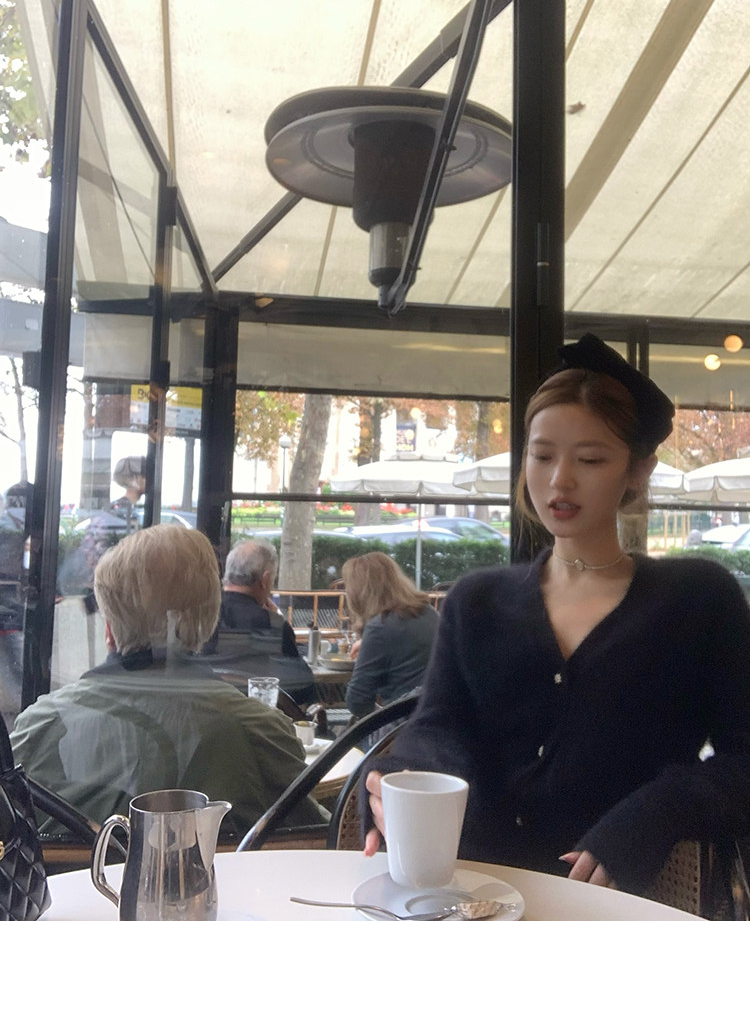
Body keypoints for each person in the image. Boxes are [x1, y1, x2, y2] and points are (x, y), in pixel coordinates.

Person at [362, 333, 750, 897]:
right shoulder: (476, 600)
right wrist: (404, 777)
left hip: (623, 902)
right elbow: (437, 726)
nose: (559, 479)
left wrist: (654, 813)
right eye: (542, 456)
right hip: (469, 892)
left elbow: (743, 761)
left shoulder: (697, 600)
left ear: (638, 470)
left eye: (590, 459)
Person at [10, 524, 326, 836]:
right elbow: (315, 837)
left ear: (109, 630)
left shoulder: (40, 727)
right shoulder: (259, 732)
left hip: (73, 874)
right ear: (206, 625)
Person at [196, 538, 314, 705]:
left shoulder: (199, 617)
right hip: (261, 717)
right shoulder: (273, 625)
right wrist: (277, 617)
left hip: (207, 711)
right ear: (265, 580)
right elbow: (304, 688)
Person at [341, 551, 439, 718]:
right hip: (438, 716)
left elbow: (357, 703)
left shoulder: (380, 626)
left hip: (403, 723)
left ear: (359, 592)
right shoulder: (429, 612)